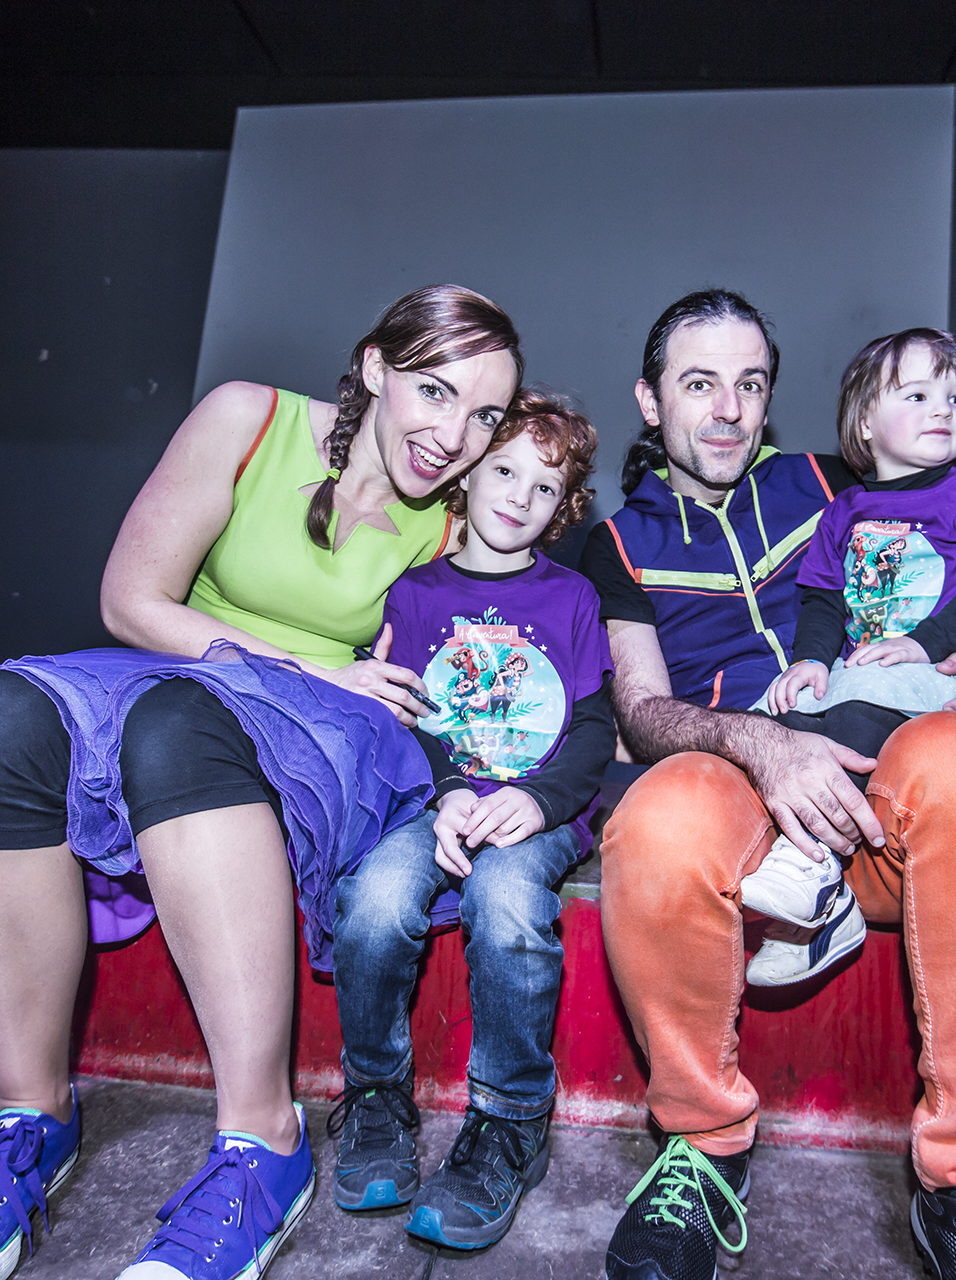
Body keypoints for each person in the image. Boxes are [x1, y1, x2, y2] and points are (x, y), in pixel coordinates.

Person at [0, 285, 523, 1280]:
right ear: (375, 366)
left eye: (485, 415)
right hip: (187, 667)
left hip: (323, 730)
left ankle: (264, 1143)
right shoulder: (249, 419)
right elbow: (131, 599)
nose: (454, 437)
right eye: (435, 391)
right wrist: (299, 665)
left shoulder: (461, 519)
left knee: (182, 728)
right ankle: (26, 1118)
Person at [577, 290, 956, 1280]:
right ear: (650, 401)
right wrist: (761, 743)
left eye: (750, 384)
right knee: (657, 816)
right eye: (699, 384)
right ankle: (704, 1151)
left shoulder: (834, 482)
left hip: (895, 783)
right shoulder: (616, 545)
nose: (728, 409)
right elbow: (643, 712)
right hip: (746, 793)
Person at [329, 390, 613, 1251]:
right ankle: (376, 1095)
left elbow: (593, 728)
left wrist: (538, 801)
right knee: (374, 902)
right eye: (505, 472)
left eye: (544, 487)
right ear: (467, 475)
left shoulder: (572, 597)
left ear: (562, 507)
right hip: (435, 799)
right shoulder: (415, 593)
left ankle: (511, 1119)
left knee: (506, 899)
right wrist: (450, 789)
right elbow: (404, 713)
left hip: (536, 809)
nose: (520, 496)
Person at [740, 327, 956, 987]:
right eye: (919, 395)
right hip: (870, 683)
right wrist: (810, 662)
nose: (944, 410)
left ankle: (812, 866)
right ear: (865, 423)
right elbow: (824, 600)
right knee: (777, 715)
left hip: (950, 682)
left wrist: (925, 643)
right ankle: (819, 912)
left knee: (857, 700)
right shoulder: (845, 510)